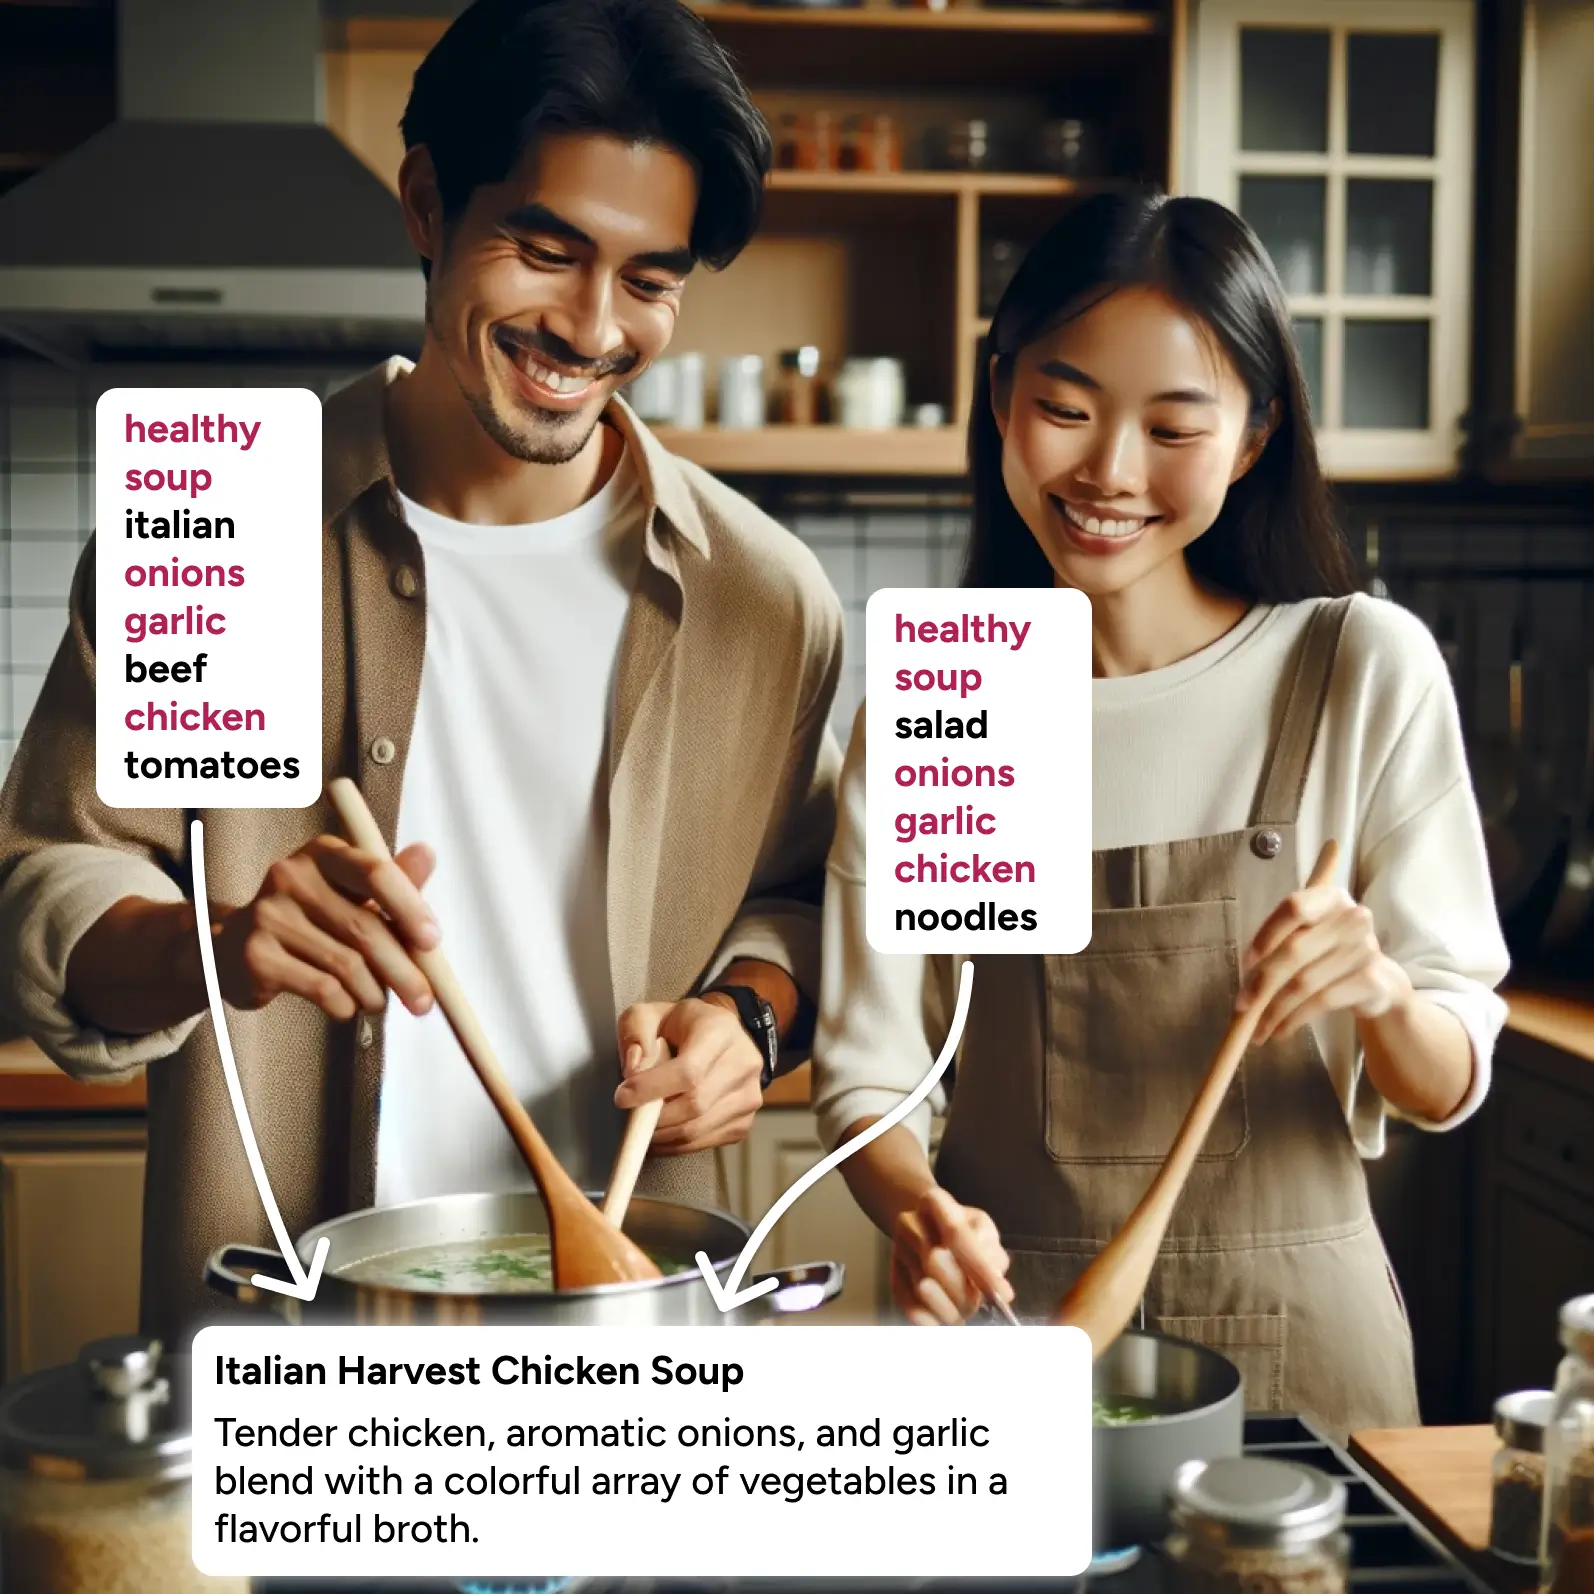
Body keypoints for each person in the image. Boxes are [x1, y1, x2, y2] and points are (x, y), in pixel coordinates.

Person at [0, 0, 843, 1344]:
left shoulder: (764, 598)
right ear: (424, 201)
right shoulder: (221, 524)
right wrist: (217, 946)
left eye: (650, 277)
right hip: (293, 1334)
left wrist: (750, 1017)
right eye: (545, 248)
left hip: (632, 1330)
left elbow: (798, 898)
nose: (590, 325)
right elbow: (50, 876)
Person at [811, 190, 1508, 1436]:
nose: (1107, 472)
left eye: (1174, 426)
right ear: (999, 393)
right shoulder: (951, 699)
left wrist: (1384, 994)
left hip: (1309, 1352)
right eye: (1065, 409)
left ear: (1252, 439)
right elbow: (875, 1072)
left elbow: (1451, 1069)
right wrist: (916, 1212)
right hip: (1008, 1328)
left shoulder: (1353, 667)